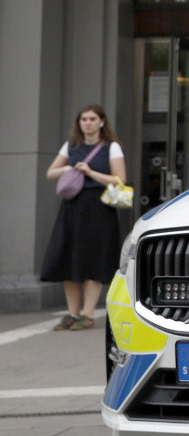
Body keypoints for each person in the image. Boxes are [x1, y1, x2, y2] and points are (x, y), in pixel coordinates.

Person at [40, 105, 128, 331]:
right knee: (68, 258)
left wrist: (90, 172)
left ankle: (87, 314)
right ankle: (72, 313)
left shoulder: (112, 147)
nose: (87, 123)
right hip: (72, 208)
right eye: (83, 119)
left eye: (92, 119)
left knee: (93, 259)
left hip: (98, 208)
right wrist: (69, 168)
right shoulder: (71, 146)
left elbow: (120, 180)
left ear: (101, 122)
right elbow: (51, 173)